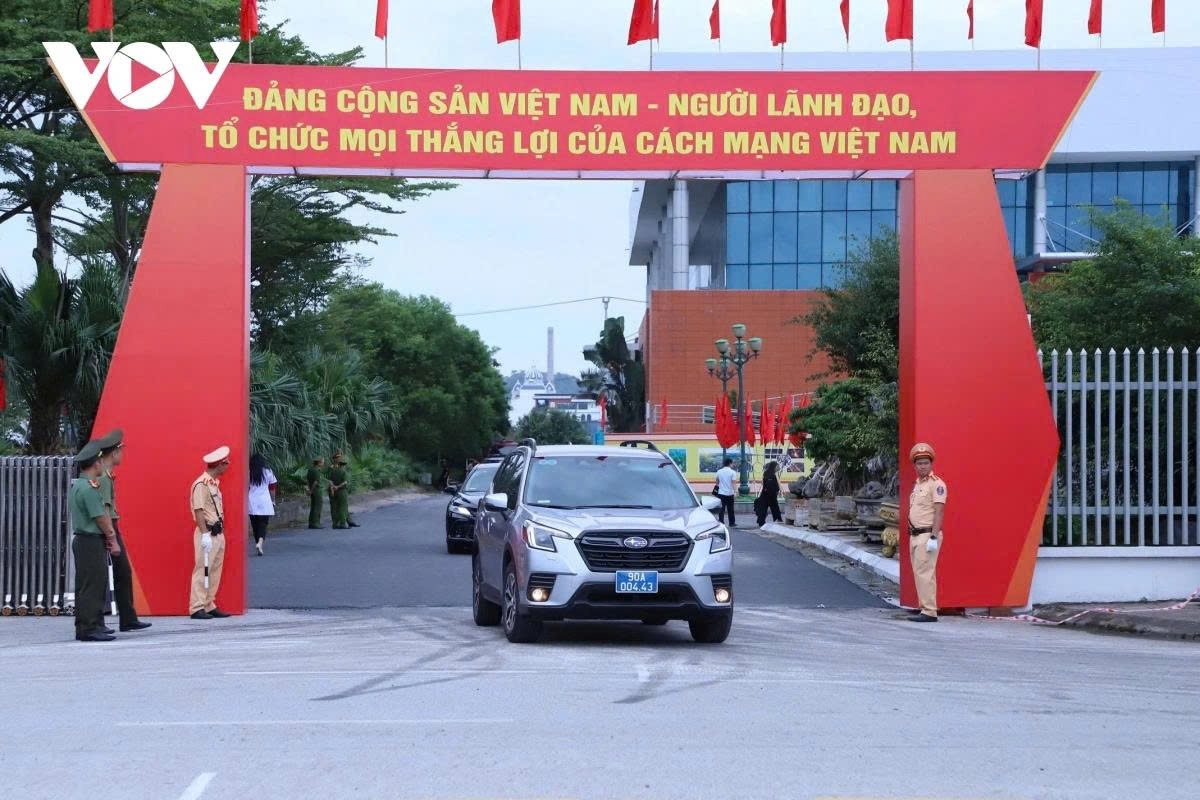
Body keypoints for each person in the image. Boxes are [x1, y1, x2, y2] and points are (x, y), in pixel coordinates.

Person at [94, 429, 150, 632]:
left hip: (111, 526)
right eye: (121, 451)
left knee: (122, 572)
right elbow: (104, 509)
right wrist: (112, 536)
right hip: (108, 527)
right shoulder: (103, 478)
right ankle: (114, 619)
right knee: (110, 573)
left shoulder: (106, 476)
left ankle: (128, 617)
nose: (122, 455)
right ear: (114, 453)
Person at [69, 440, 120, 642]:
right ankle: (90, 628)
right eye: (100, 461)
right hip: (90, 541)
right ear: (95, 464)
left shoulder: (78, 485)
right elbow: (100, 517)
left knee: (85, 585)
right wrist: (112, 538)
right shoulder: (89, 489)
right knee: (94, 585)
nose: (102, 465)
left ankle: (86, 625)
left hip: (83, 540)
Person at [189, 446, 233, 620]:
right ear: (219, 465)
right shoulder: (201, 484)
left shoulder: (213, 484)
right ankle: (196, 607)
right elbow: (199, 510)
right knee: (202, 569)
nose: (228, 465)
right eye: (226, 463)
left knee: (214, 569)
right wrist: (204, 533)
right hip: (206, 532)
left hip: (217, 532)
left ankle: (208, 604)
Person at [906, 442, 948, 623]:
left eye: (925, 463)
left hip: (926, 535)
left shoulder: (936, 484)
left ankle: (930, 611)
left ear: (931, 464)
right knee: (918, 573)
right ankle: (924, 606)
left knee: (926, 573)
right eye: (919, 463)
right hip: (914, 534)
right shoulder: (917, 484)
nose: (922, 466)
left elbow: (939, 512)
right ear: (914, 465)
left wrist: (933, 536)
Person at [248, 452, 277, 557]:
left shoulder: (248, 472)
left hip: (251, 501)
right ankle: (260, 542)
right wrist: (273, 500)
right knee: (263, 524)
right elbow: (272, 488)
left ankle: (257, 543)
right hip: (264, 500)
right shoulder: (268, 472)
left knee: (255, 524)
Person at [327, 451, 359, 529]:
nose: (339, 458)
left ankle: (349, 521)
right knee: (336, 507)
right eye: (338, 457)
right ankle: (339, 523)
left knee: (343, 506)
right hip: (333, 489)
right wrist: (333, 488)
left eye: (340, 457)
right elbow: (328, 479)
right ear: (334, 459)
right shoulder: (331, 468)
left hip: (337, 488)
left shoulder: (339, 468)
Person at [756, 461, 783, 527]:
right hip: (770, 494)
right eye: (777, 466)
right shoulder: (771, 474)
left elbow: (764, 483)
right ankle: (777, 519)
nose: (778, 467)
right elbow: (769, 485)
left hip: (766, 494)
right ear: (774, 466)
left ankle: (761, 521)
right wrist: (776, 491)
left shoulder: (767, 473)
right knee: (773, 507)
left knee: (766, 508)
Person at [714, 457, 738, 527]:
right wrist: (735, 491)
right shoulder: (733, 472)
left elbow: (717, 482)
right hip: (730, 493)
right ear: (730, 463)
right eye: (732, 463)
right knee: (731, 509)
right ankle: (732, 523)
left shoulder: (719, 471)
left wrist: (715, 492)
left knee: (721, 509)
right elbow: (733, 483)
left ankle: (721, 522)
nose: (733, 464)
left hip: (721, 493)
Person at [306, 456, 325, 529]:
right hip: (317, 490)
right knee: (317, 506)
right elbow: (316, 482)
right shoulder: (317, 471)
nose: (323, 463)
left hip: (312, 490)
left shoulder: (310, 470)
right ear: (319, 462)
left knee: (313, 506)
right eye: (323, 461)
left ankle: (311, 522)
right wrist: (311, 490)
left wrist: (309, 489)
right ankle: (316, 523)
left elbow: (307, 480)